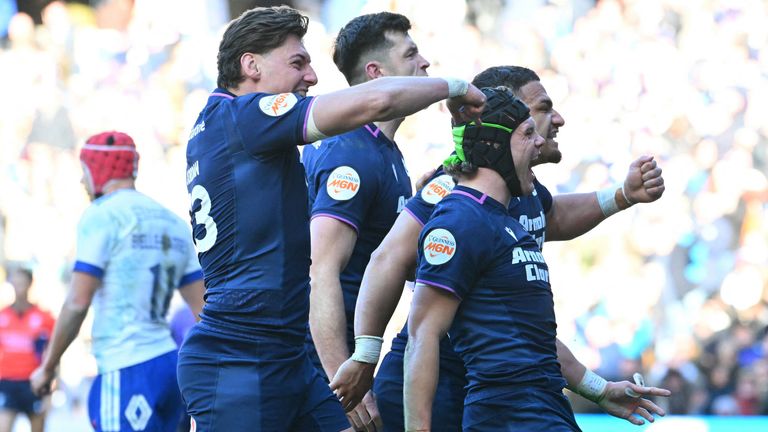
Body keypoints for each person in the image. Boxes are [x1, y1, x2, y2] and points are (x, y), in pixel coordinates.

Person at [177, 6, 485, 431]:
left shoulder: (226, 125)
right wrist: (455, 87)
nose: (312, 77)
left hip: (282, 352)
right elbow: (378, 98)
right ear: (251, 65)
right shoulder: (245, 117)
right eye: (297, 63)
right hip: (240, 355)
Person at [331, 66, 668, 430]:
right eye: (541, 110)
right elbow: (388, 261)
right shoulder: (456, 201)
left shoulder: (519, 202)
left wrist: (621, 196)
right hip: (446, 384)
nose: (555, 121)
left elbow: (552, 227)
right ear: (501, 123)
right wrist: (365, 356)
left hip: (513, 395)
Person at [403, 86, 597, 430]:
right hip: (508, 416)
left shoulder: (505, 220)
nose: (539, 143)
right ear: (494, 147)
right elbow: (423, 334)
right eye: (527, 134)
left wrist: (601, 390)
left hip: (545, 409)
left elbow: (530, 335)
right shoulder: (460, 221)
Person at [302, 11, 430, 431]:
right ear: (376, 73)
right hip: (321, 366)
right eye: (410, 54)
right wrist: (345, 383)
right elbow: (321, 270)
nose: (424, 64)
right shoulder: (350, 152)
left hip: (345, 359)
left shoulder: (386, 153)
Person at [30, 131, 206, 432]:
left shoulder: (101, 216)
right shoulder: (173, 222)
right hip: (170, 368)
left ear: (98, 169)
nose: (82, 182)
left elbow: (77, 301)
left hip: (125, 368)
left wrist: (48, 367)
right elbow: (203, 309)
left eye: (83, 173)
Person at [0, 268, 55, 432]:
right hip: (7, 382)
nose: (18, 287)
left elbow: (54, 355)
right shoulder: (2, 316)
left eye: (22, 282)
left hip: (34, 383)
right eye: (15, 282)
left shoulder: (44, 318)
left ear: (30, 284)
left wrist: (51, 390)